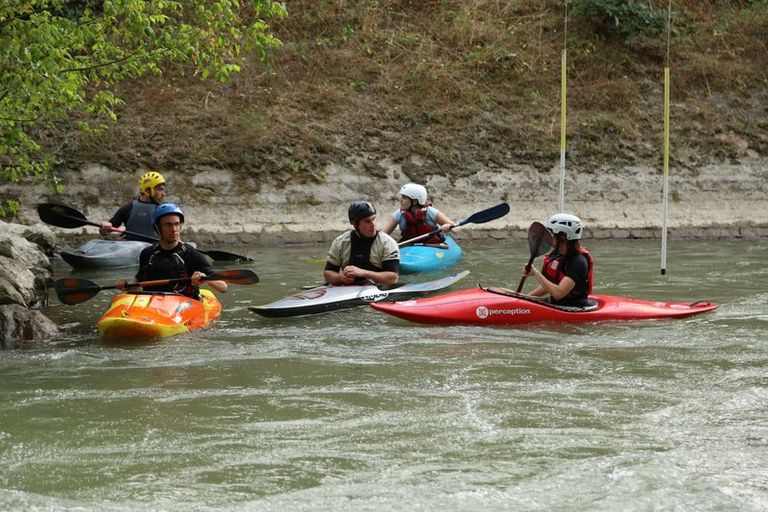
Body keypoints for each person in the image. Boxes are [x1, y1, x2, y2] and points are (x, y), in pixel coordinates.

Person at [117, 203, 227, 298]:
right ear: (157, 228)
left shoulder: (191, 254)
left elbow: (223, 287)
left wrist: (205, 278)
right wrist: (128, 284)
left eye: (176, 224)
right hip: (152, 302)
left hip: (182, 303)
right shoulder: (148, 253)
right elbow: (138, 282)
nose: (174, 229)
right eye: (168, 225)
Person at [521, 213, 594, 307]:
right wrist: (524, 299)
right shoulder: (555, 255)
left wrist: (535, 273)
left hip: (573, 308)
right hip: (556, 304)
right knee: (502, 290)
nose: (548, 237)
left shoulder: (579, 261)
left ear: (562, 236)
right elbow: (547, 287)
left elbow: (558, 293)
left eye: (551, 233)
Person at [324, 201, 400, 286]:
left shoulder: (387, 243)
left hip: (378, 291)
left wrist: (363, 273)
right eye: (367, 221)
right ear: (354, 224)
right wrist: (340, 278)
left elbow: (393, 278)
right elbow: (328, 273)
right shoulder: (340, 242)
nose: (373, 224)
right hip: (348, 291)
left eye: (374, 219)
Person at [380, 183, 455, 246]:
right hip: (410, 247)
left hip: (432, 246)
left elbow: (457, 228)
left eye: (404, 198)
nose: (401, 200)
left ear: (415, 202)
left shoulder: (430, 212)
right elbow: (382, 235)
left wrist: (448, 227)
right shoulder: (399, 214)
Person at [99, 171, 167, 240]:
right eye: (160, 189)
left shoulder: (163, 211)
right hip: (130, 248)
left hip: (153, 249)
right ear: (148, 190)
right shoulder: (129, 208)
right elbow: (104, 232)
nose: (163, 194)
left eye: (164, 190)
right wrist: (104, 227)